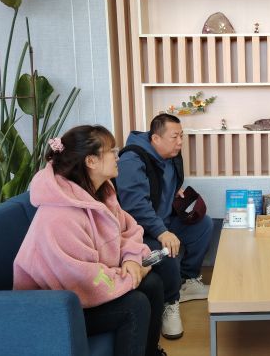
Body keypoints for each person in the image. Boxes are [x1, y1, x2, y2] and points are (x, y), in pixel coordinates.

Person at [14, 125, 167, 356]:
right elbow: (81, 279)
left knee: (153, 284)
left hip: (84, 292)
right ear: (91, 161)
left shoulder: (102, 194)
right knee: (135, 305)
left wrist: (132, 259)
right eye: (111, 151)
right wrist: (131, 276)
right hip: (53, 306)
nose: (118, 156)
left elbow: (129, 229)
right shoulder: (59, 216)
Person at [116, 113, 213, 340]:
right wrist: (162, 232)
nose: (180, 142)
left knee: (204, 225)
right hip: (140, 230)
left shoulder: (170, 155)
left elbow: (165, 182)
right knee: (166, 253)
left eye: (182, 136)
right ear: (155, 138)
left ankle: (187, 280)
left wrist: (175, 192)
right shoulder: (131, 161)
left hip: (166, 220)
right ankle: (170, 303)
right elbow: (135, 206)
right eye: (175, 137)